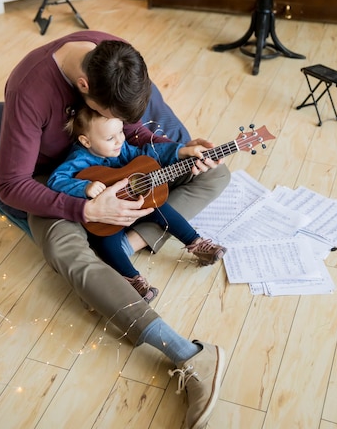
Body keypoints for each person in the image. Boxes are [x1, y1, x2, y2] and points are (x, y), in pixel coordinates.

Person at [0, 31, 231, 429]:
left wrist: (177, 150)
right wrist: (84, 207)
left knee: (216, 172)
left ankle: (127, 242)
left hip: (119, 168)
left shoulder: (116, 59)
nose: (125, 124)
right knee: (67, 253)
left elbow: (133, 134)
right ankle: (188, 354)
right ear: (83, 87)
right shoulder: (28, 89)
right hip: (57, 184)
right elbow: (10, 185)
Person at [47, 106, 227, 302]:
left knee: (162, 207)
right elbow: (56, 180)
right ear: (86, 141)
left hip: (136, 204)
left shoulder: (121, 148)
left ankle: (196, 243)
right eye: (110, 139)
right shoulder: (79, 159)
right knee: (106, 242)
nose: (120, 141)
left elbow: (149, 152)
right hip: (107, 218)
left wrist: (180, 151)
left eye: (121, 132)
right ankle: (133, 279)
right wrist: (84, 187)